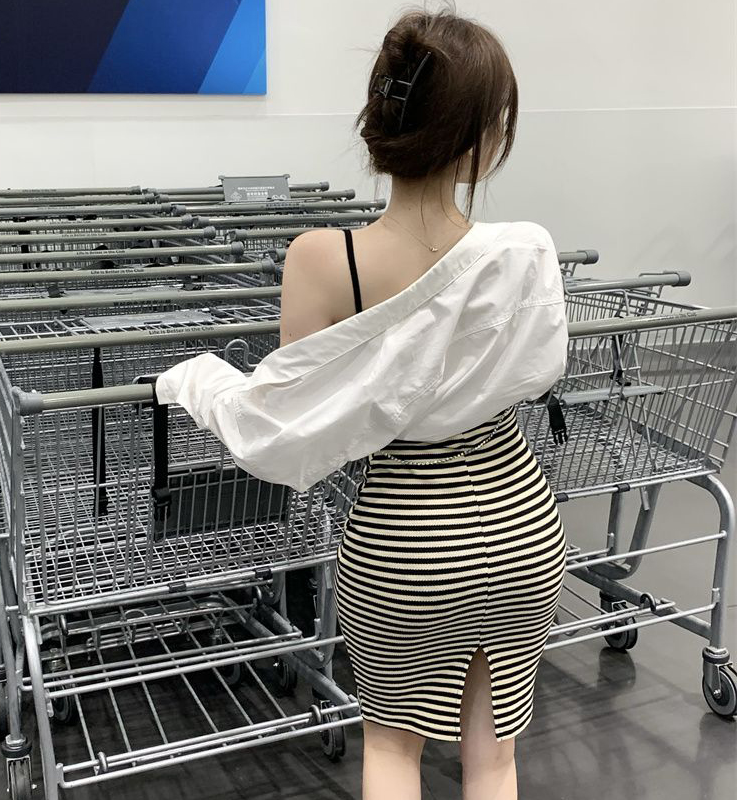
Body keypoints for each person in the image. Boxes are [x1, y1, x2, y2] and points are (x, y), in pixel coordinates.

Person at [157, 7, 568, 800]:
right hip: (520, 525)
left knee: (392, 751)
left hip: (405, 536)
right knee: (494, 759)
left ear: (381, 120)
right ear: (481, 138)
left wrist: (191, 378)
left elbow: (282, 424)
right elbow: (538, 371)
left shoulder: (322, 259)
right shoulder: (524, 253)